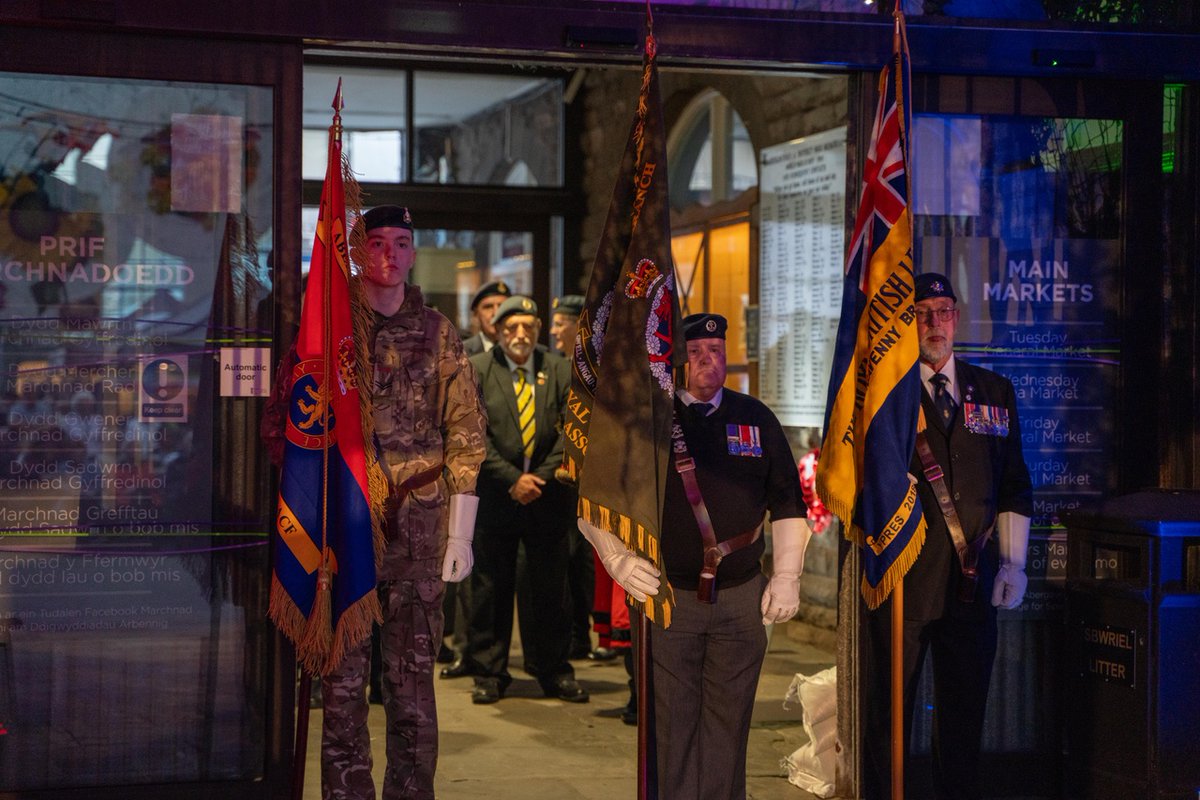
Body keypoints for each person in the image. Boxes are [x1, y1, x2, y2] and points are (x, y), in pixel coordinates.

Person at [262, 204, 487, 800]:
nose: (389, 254)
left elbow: (465, 430)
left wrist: (461, 530)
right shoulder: (328, 334)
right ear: (356, 253)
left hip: (418, 536)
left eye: (401, 242)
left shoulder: (439, 332)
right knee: (340, 692)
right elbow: (286, 432)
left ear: (414, 253)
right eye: (376, 242)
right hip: (344, 536)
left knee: (412, 692)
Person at [580, 312, 812, 799]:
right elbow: (594, 499)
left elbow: (790, 500)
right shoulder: (648, 419)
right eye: (696, 352)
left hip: (741, 596)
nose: (709, 360)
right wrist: (617, 558)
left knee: (730, 721)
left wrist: (787, 575)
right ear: (676, 361)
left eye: (717, 350)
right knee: (673, 723)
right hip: (670, 596)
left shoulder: (755, 417)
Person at [862, 272, 1033, 800]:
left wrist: (1013, 562)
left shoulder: (994, 391)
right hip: (903, 582)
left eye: (943, 311)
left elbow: (1014, 482)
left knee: (963, 720)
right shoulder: (887, 397)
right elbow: (861, 478)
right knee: (888, 720)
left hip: (971, 583)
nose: (933, 323)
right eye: (921, 314)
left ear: (956, 318)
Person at [461, 295, 588, 705]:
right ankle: (489, 673)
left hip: (547, 498)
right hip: (497, 497)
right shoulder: (478, 370)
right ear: (497, 331)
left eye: (529, 327)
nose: (521, 335)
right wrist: (513, 479)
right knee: (490, 589)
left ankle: (553, 671)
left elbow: (573, 430)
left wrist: (541, 477)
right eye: (512, 327)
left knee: (551, 590)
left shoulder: (560, 369)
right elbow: (471, 434)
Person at [462, 280, 511, 355]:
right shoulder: (460, 352)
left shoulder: (523, 351)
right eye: (488, 307)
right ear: (476, 314)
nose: (496, 313)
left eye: (502, 306)